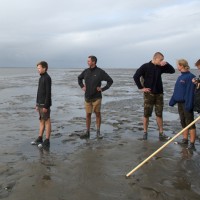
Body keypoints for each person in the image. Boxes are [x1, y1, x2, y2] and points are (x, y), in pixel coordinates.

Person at [133, 52, 175, 140]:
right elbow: (136, 76)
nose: (162, 61)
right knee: (146, 114)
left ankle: (161, 133)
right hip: (149, 94)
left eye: (162, 60)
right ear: (155, 58)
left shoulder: (161, 66)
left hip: (159, 93)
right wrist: (141, 88)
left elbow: (172, 71)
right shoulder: (145, 66)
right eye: (161, 60)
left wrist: (166, 64)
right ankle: (145, 132)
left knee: (159, 114)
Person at [78, 55, 113, 139]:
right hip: (87, 97)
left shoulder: (100, 72)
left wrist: (102, 89)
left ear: (94, 62)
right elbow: (79, 78)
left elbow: (110, 81)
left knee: (97, 114)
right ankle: (87, 132)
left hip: (97, 97)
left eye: (89, 61)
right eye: (88, 61)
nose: (87, 62)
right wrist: (82, 86)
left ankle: (98, 132)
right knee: (88, 114)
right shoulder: (86, 71)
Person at [169, 59, 196, 150]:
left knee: (190, 123)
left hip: (187, 103)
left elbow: (190, 92)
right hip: (180, 103)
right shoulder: (180, 77)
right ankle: (185, 139)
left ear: (182, 65)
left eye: (178, 65)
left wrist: (189, 104)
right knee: (183, 121)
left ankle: (192, 143)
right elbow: (177, 90)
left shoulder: (190, 77)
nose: (177, 67)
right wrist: (173, 100)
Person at [31, 61, 52, 149]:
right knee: (41, 121)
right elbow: (39, 92)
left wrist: (46, 106)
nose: (38, 70)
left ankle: (47, 141)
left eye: (39, 68)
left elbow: (48, 93)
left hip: (44, 104)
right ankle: (40, 138)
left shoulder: (47, 78)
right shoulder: (41, 78)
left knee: (47, 121)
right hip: (40, 103)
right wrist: (37, 104)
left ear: (44, 68)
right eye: (37, 68)